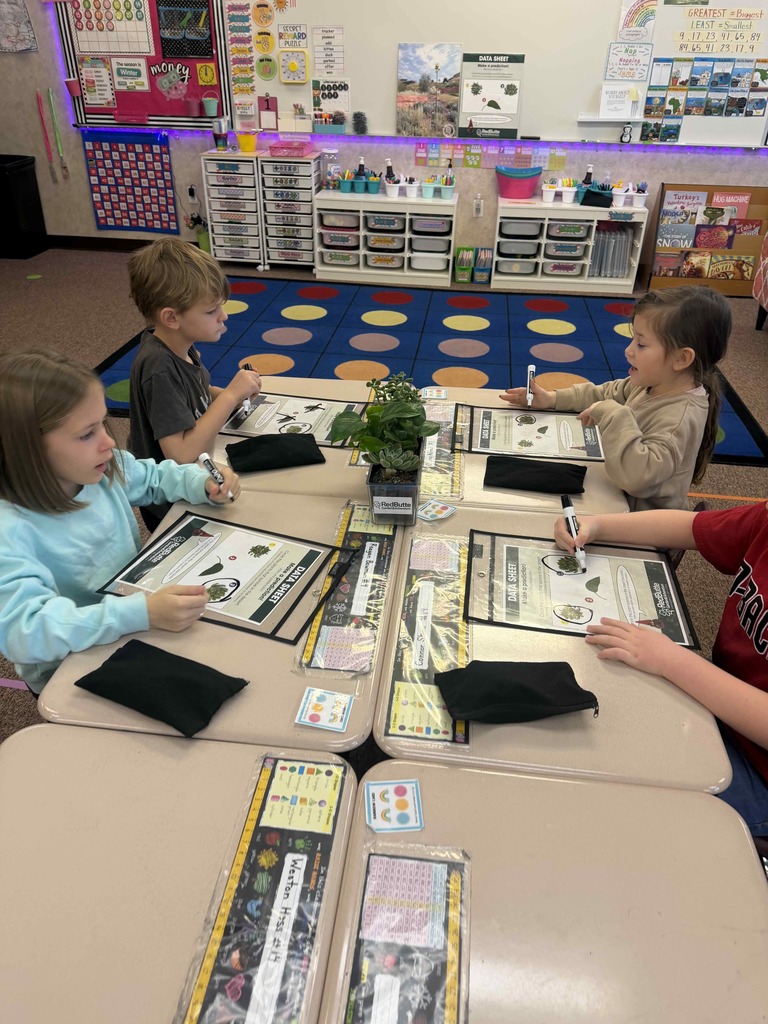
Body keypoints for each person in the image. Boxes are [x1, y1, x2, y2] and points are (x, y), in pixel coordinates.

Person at [0, 350, 241, 694]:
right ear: (28, 449)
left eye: (103, 423)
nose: (108, 442)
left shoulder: (102, 467)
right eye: (87, 434)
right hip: (71, 666)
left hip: (137, 614)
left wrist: (200, 482)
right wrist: (138, 613)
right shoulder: (10, 530)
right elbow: (26, 634)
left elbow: (155, 478)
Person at [553, 502, 768, 836]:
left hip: (756, 770)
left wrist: (672, 661)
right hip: (715, 700)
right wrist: (596, 526)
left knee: (605, 800)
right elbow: (690, 528)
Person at [499, 286, 732, 511]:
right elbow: (606, 393)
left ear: (681, 359)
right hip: (615, 498)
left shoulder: (679, 417)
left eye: (641, 344)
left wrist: (615, 414)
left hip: (641, 533)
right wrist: (551, 398)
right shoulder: (652, 384)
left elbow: (638, 478)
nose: (628, 350)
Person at [127, 238, 261, 526]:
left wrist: (227, 394)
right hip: (173, 504)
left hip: (200, 479)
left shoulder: (181, 347)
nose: (223, 316)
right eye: (212, 310)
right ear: (171, 317)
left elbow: (193, 394)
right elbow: (181, 456)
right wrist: (229, 397)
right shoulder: (159, 366)